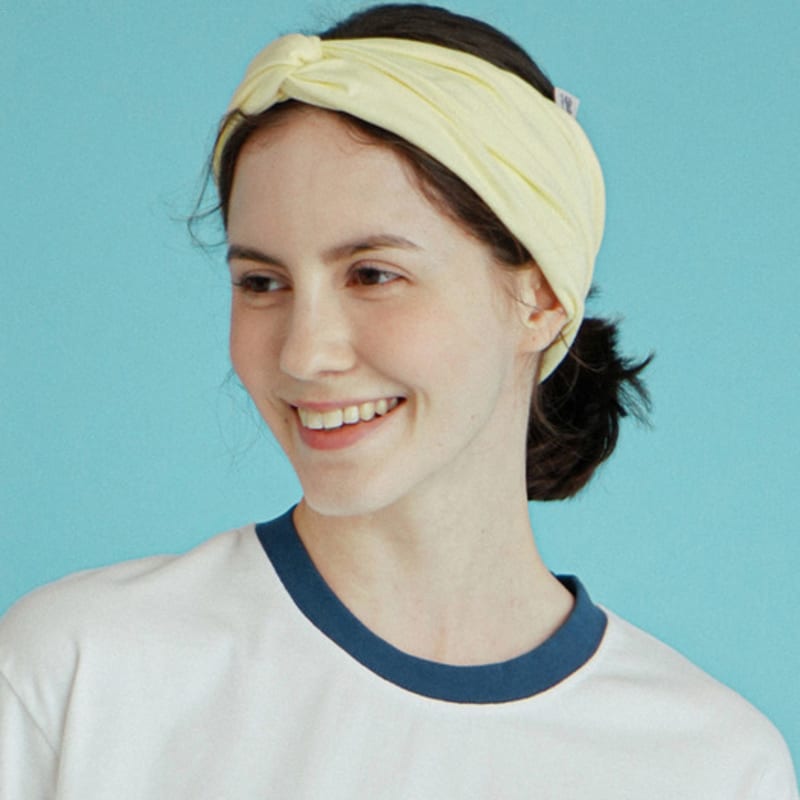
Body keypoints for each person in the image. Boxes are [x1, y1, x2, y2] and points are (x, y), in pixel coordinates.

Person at [0, 3, 796, 797]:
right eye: (262, 282)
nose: (304, 354)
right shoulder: (77, 676)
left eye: (373, 274)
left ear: (544, 296)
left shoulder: (712, 767)